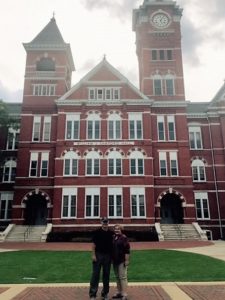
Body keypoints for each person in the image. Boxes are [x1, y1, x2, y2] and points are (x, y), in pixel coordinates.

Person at [89, 217, 113, 300]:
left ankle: (105, 293)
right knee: (95, 275)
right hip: (98, 255)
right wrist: (93, 255)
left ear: (108, 223)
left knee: (106, 275)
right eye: (104, 222)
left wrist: (112, 257)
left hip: (108, 256)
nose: (105, 224)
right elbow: (93, 245)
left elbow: (112, 246)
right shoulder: (97, 232)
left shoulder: (111, 233)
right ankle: (93, 294)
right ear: (101, 222)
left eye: (106, 222)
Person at [112, 224, 130, 300]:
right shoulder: (113, 237)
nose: (116, 230)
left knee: (123, 277)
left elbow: (127, 250)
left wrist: (126, 260)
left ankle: (124, 294)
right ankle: (119, 292)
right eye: (115, 229)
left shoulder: (124, 238)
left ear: (121, 230)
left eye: (118, 229)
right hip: (114, 260)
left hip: (122, 260)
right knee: (117, 277)